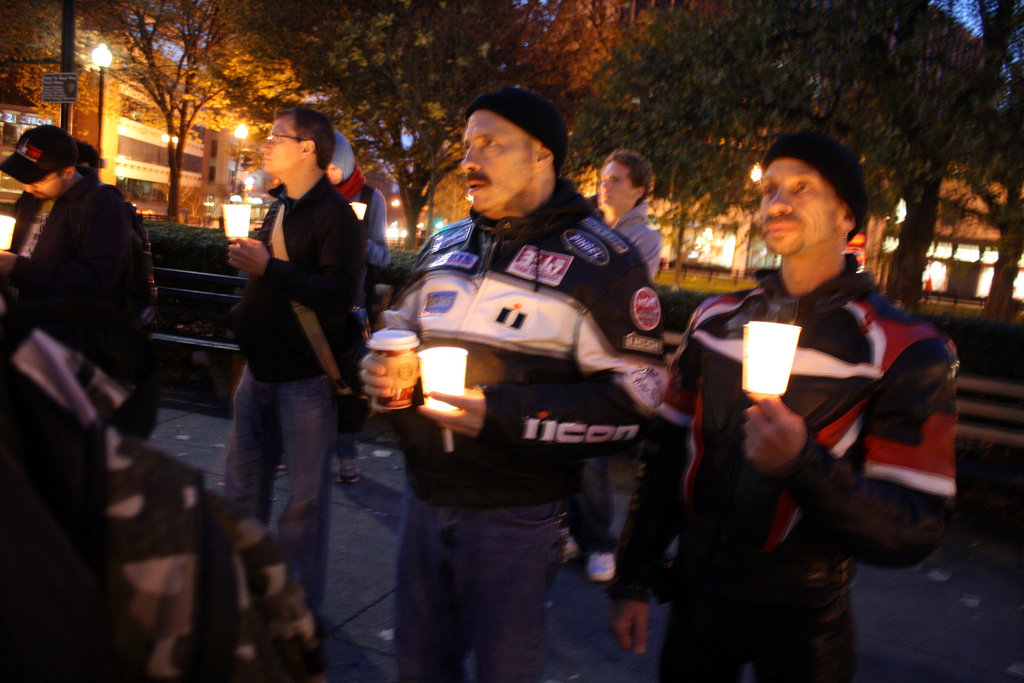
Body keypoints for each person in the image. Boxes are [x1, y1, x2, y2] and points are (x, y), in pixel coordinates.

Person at [607, 130, 958, 682]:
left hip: (803, 619)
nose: (778, 202)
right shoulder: (715, 320)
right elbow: (665, 456)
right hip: (697, 600)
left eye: (802, 188)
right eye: (769, 188)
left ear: (848, 217)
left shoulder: (903, 347)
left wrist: (803, 466)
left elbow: (913, 526)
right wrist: (632, 579)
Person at [358, 86, 666, 682]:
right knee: (417, 669)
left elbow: (634, 404)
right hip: (423, 498)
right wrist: (373, 368)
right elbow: (399, 329)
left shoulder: (607, 262)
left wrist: (495, 413)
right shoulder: (445, 243)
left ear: (542, 155)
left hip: (515, 519)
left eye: (490, 144)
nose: (470, 160)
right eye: (467, 145)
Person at [223, 107, 366, 614]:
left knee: (303, 504)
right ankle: (242, 597)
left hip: (305, 378)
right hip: (258, 370)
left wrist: (271, 268)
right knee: (241, 490)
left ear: (308, 148)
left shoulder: (338, 217)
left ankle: (296, 614)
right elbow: (270, 276)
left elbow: (339, 293)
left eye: (275, 137)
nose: (266, 145)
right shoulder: (278, 206)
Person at [566, 148, 663, 583]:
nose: (605, 186)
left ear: (639, 190)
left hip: (611, 350)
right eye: (604, 178)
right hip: (570, 343)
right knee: (559, 435)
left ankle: (601, 543)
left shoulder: (644, 238)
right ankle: (570, 528)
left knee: (591, 448)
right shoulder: (585, 223)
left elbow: (621, 287)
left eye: (617, 180)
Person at [0, 125, 130, 310]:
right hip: (28, 317)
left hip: (72, 327)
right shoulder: (30, 198)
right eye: (25, 179)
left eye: (37, 179)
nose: (28, 188)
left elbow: (97, 278)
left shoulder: (103, 203)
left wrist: (18, 267)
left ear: (67, 172)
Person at [326, 129, 391, 485]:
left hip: (353, 309)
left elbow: (383, 253)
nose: (329, 174)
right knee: (308, 382)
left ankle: (347, 455)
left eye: (334, 167)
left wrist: (356, 239)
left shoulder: (370, 196)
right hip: (315, 301)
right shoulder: (311, 194)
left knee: (349, 385)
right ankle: (301, 450)